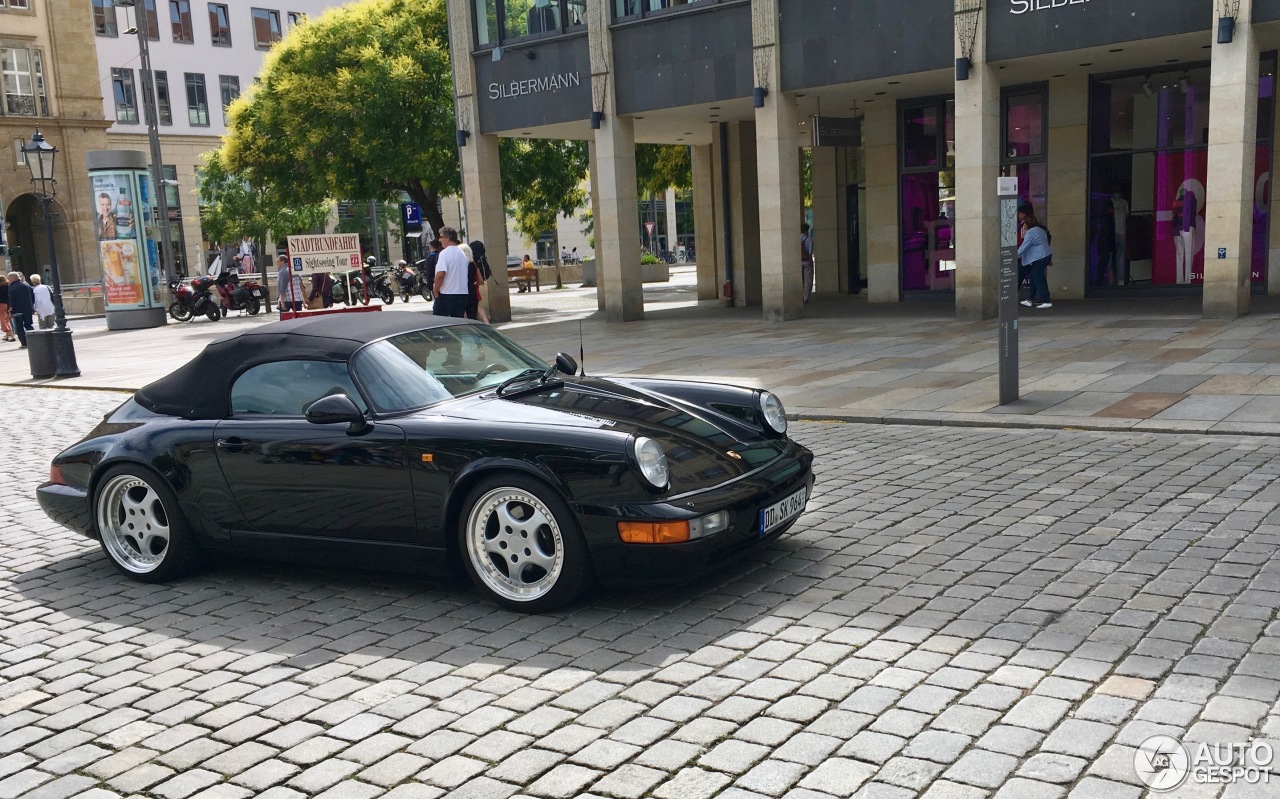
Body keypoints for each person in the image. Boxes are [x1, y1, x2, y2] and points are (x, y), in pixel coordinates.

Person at [1017, 202, 1053, 309]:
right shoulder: (1040, 229)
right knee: (1035, 276)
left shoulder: (1031, 232)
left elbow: (1024, 246)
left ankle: (1046, 300)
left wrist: (1014, 256)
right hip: (1042, 256)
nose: (1023, 227)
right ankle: (1030, 299)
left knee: (1037, 277)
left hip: (1039, 257)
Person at [432, 227, 471, 318]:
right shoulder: (462, 254)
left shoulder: (445, 253)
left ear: (447, 238)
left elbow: (440, 275)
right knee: (457, 322)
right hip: (462, 294)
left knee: (439, 323)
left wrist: (436, 290)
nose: (439, 240)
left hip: (447, 294)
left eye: (441, 237)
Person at [6, 272, 34, 348]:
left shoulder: (12, 287)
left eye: (9, 278)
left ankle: (24, 343)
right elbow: (33, 296)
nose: (8, 280)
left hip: (17, 310)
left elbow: (11, 300)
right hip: (28, 309)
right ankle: (33, 341)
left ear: (13, 278)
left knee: (19, 327)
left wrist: (10, 310)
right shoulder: (26, 285)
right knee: (28, 325)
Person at [800, 223, 814, 303]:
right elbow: (810, 252)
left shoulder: (796, 238)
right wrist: (810, 261)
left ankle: (800, 296)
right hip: (806, 262)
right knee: (808, 280)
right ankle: (806, 298)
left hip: (798, 262)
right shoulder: (808, 239)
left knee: (800, 281)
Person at [0, 275, 12, 342]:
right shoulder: (8, 286)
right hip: (7, 304)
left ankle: (10, 333)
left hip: (1, 304)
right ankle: (7, 335)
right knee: (6, 319)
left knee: (3, 320)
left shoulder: (1, 288)